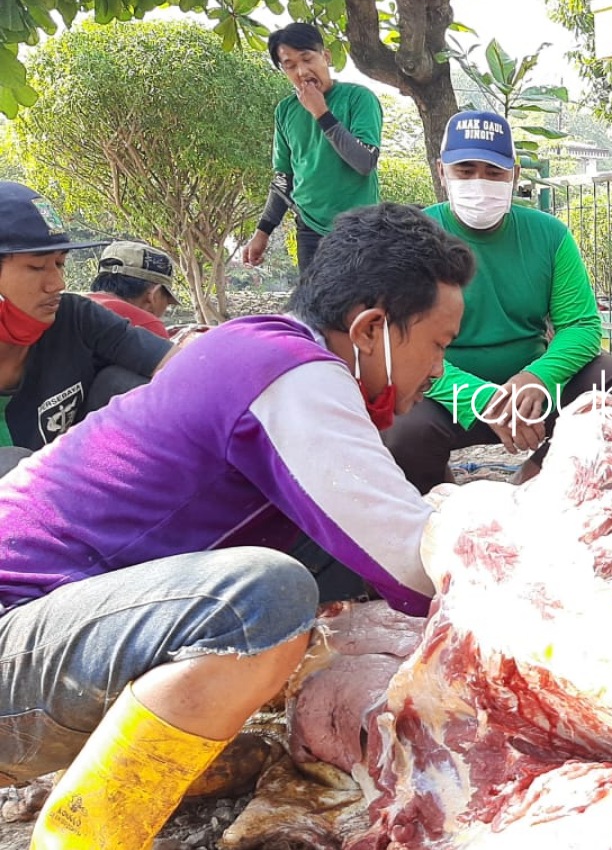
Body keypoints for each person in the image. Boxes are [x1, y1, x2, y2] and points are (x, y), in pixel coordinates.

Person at [0, 202, 472, 848]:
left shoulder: (263, 348)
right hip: (16, 635)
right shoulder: (294, 379)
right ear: (370, 330)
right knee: (265, 599)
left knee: (304, 568)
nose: (440, 369)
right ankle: (81, 839)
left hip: (43, 630)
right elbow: (411, 563)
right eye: (438, 345)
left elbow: (375, 534)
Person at [383, 110, 612, 491]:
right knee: (400, 429)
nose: (480, 183)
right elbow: (401, 342)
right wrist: (482, 397)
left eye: (494, 173)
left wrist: (537, 377)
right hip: (446, 391)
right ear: (442, 172)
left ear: (515, 176)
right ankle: (436, 493)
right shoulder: (416, 237)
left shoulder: (549, 234)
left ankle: (539, 473)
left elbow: (581, 326)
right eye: (466, 170)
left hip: (535, 394)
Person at [0, 183, 173, 476]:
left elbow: (173, 362)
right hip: (22, 513)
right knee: (11, 464)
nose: (57, 284)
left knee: (124, 384)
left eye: (60, 264)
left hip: (84, 485)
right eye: (37, 267)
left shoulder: (75, 318)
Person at [241, 22, 382, 277]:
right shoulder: (285, 111)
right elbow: (284, 180)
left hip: (361, 228)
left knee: (362, 309)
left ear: (325, 56)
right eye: (290, 65)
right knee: (314, 312)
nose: (302, 71)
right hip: (310, 229)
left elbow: (365, 162)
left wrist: (321, 113)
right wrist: (262, 233)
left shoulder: (359, 98)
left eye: (307, 59)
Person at [87, 240, 179, 338]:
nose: (166, 309)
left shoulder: (74, 307)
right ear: (154, 295)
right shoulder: (146, 326)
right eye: (167, 301)